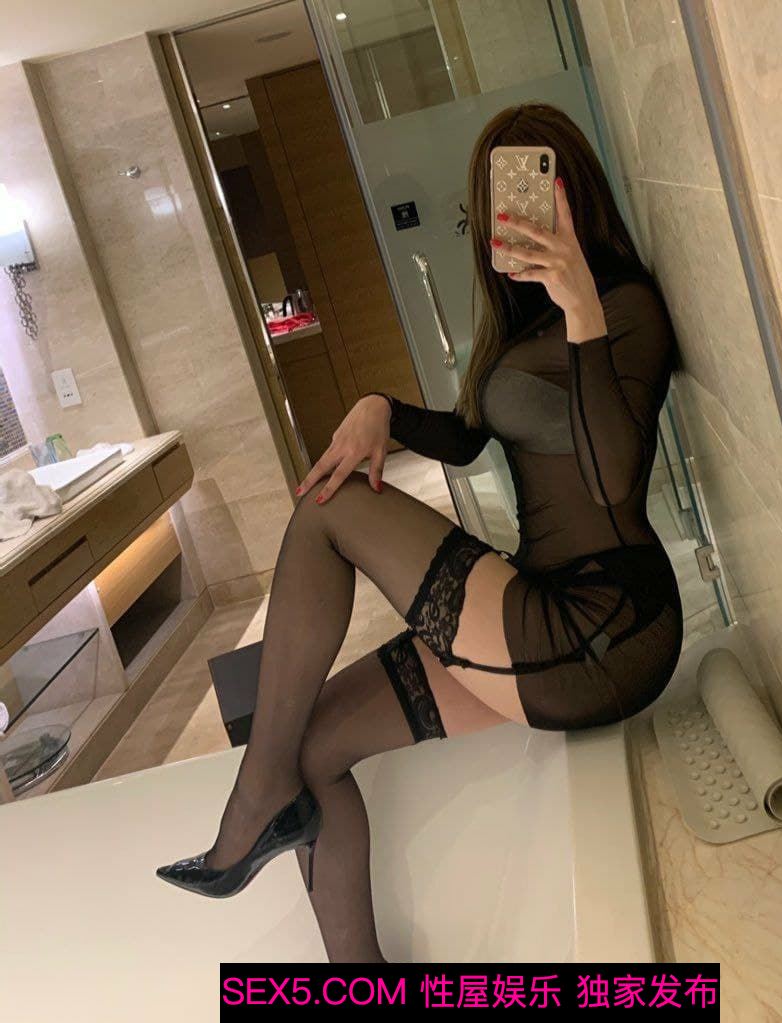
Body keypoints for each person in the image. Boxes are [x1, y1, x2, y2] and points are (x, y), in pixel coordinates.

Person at [157, 103, 683, 963]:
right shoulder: (524, 321)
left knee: (327, 508)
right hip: (541, 612)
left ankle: (252, 800)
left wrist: (581, 306)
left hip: (605, 626)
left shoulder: (624, 308)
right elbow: (473, 435)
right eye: (496, 204)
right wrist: (383, 410)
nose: (511, 219)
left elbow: (611, 479)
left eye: (533, 193)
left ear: (573, 194)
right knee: (313, 746)